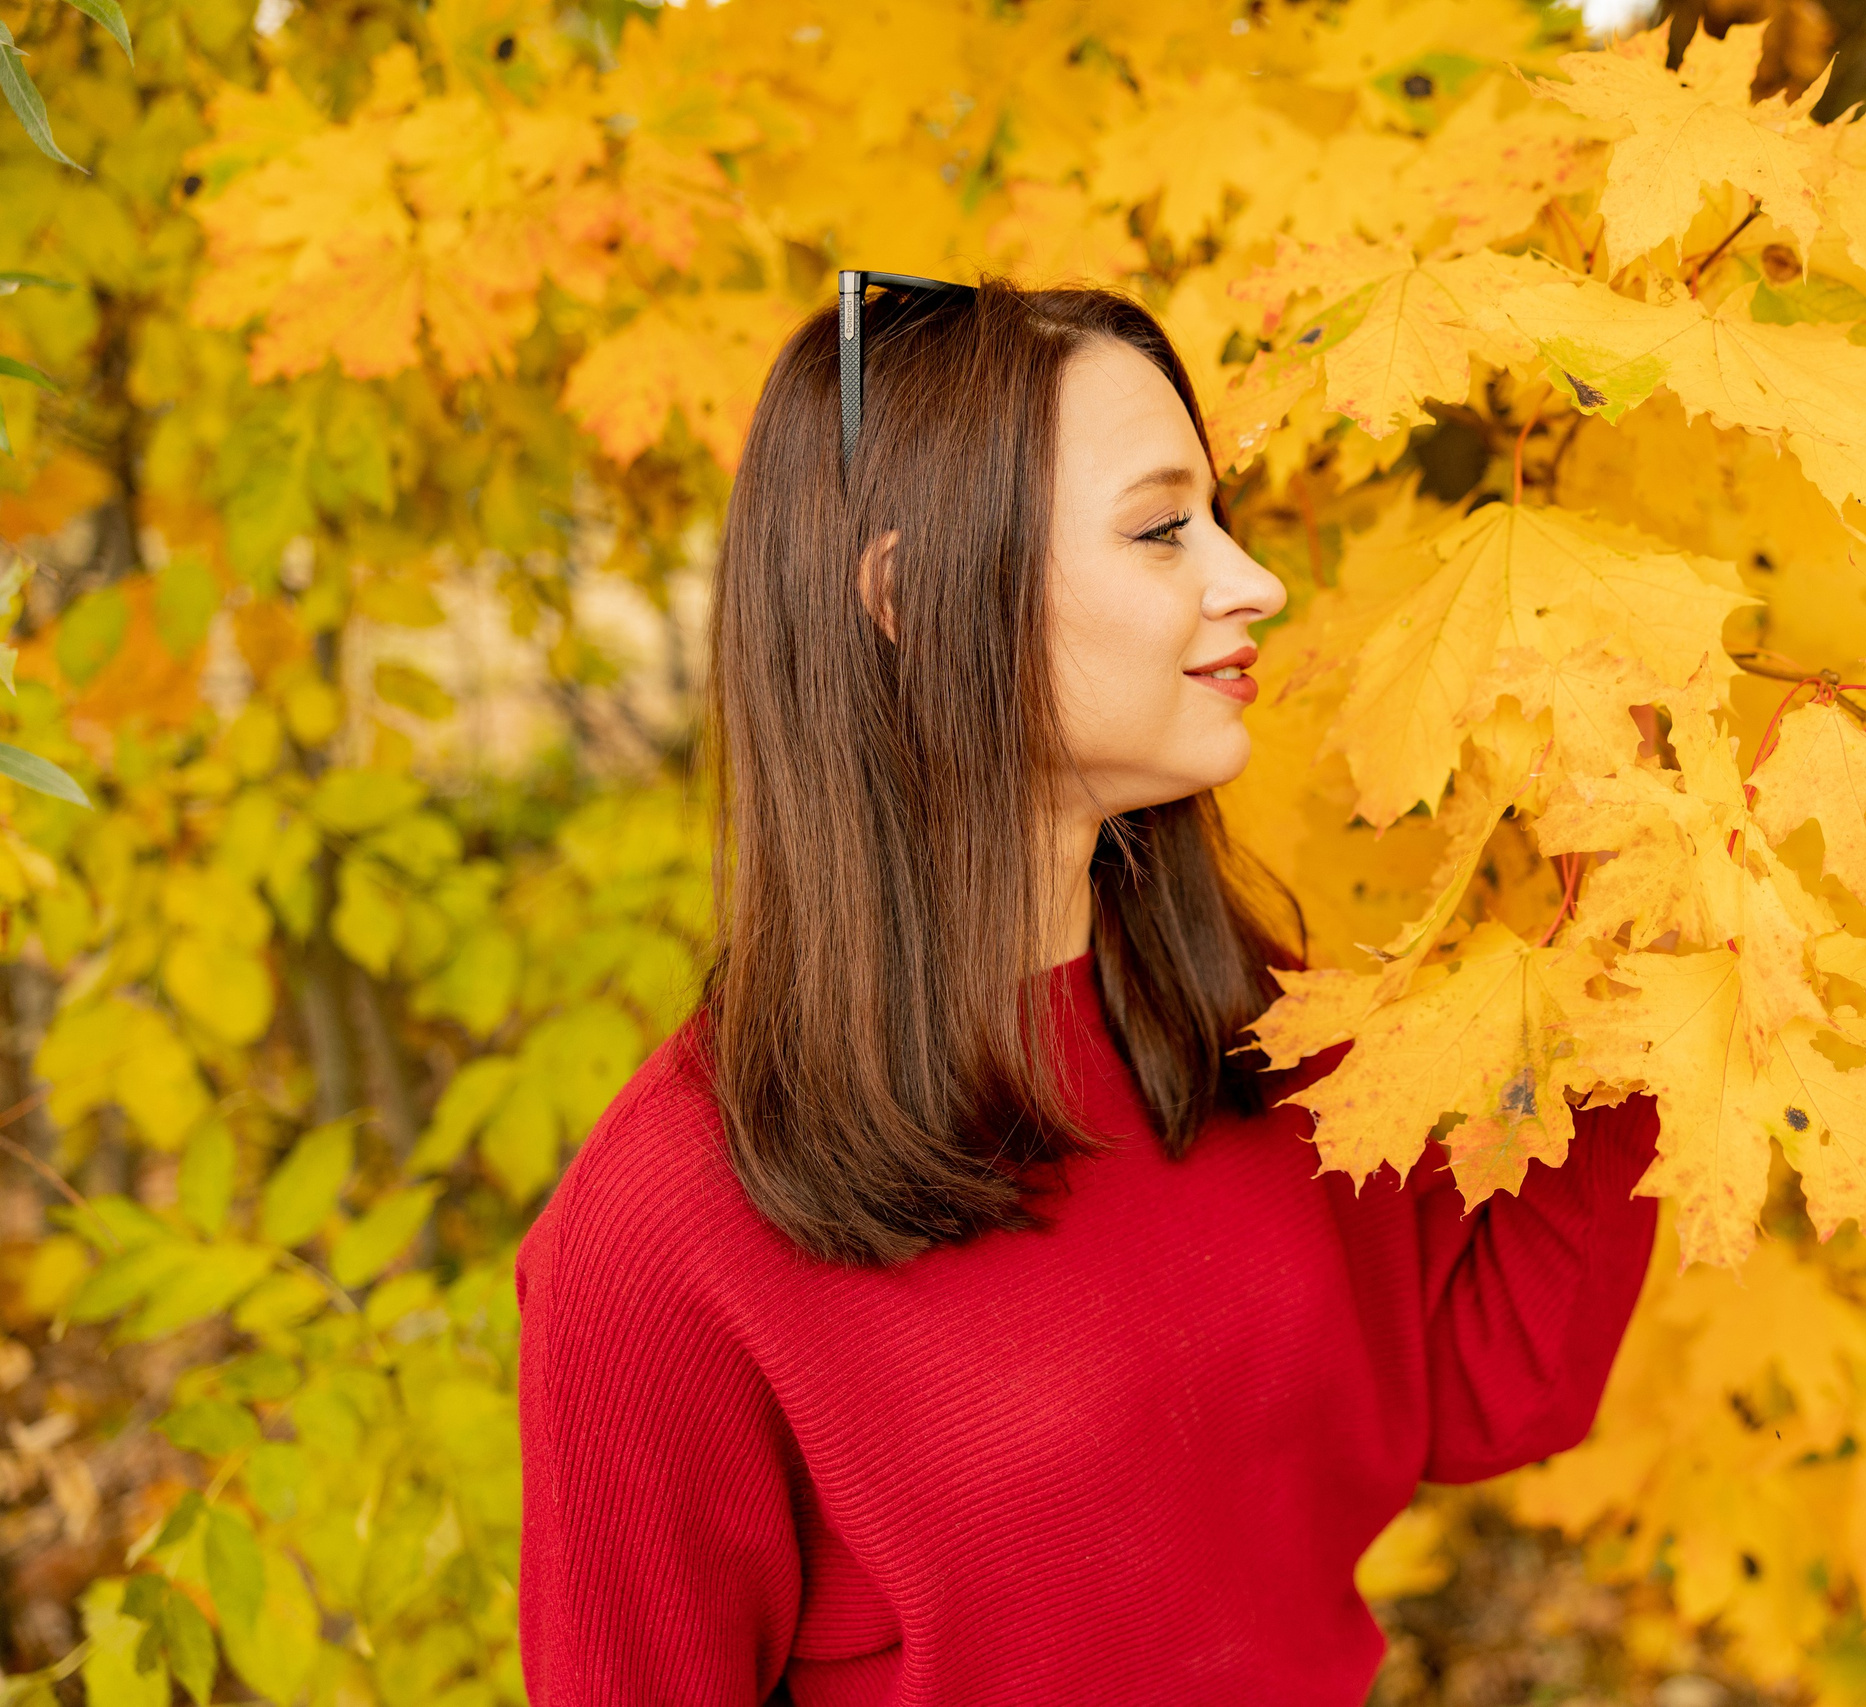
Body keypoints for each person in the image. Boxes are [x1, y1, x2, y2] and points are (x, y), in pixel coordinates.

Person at [513, 277, 1662, 1705]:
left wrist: (1641, 942)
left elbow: (1496, 1383)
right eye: (1163, 527)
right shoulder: (660, 1239)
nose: (1254, 582)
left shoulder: (1246, 1024)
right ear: (905, 598)